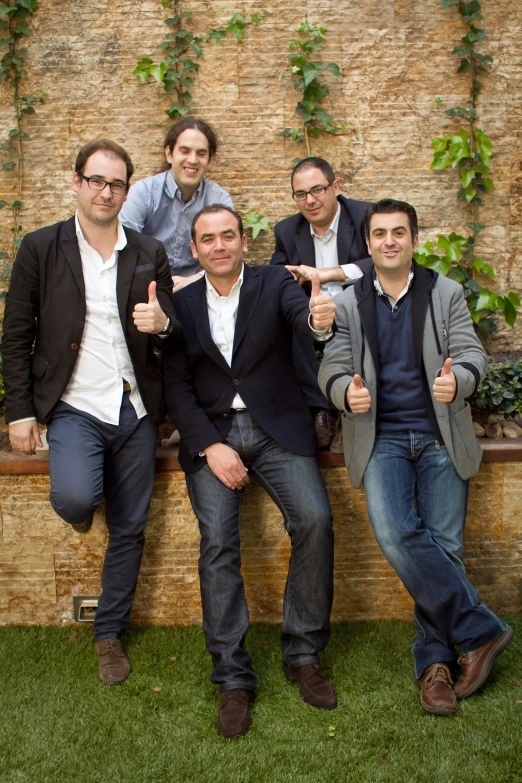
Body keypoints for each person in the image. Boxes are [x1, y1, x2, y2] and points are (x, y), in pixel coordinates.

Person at [319, 198, 513, 716]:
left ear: (413, 238)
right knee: (396, 532)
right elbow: (332, 366)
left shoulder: (444, 293)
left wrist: (460, 381)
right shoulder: (348, 304)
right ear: (367, 243)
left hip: (439, 436)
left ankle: (436, 667)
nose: (388, 241)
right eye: (379, 233)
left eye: (398, 232)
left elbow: (473, 354)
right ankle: (480, 630)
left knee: (444, 546)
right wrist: (344, 392)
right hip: (380, 437)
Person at [1, 139, 181, 685]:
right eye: (97, 180)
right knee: (77, 495)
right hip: (74, 404)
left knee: (130, 527)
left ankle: (109, 633)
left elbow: (172, 325)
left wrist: (164, 325)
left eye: (117, 183)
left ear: (128, 190)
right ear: (77, 183)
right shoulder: (41, 248)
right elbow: (16, 337)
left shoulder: (148, 250)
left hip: (134, 408)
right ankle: (83, 505)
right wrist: (21, 412)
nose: (106, 191)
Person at [163, 204, 337, 738]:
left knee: (315, 521)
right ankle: (233, 675)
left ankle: (302, 653)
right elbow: (176, 385)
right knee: (218, 542)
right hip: (213, 435)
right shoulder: (181, 304)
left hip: (276, 429)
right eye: (207, 239)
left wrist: (316, 319)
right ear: (194, 249)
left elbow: (300, 315)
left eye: (228, 236)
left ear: (243, 242)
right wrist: (210, 446)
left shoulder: (273, 283)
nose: (218, 246)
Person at [270, 157, 373, 451]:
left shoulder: (365, 215)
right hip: (314, 317)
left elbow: (382, 261)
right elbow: (276, 274)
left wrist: (326, 274)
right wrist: (289, 274)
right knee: (291, 318)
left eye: (317, 190)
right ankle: (322, 410)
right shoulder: (287, 230)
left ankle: (351, 413)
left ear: (335, 187)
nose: (310, 201)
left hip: (358, 309)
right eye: (301, 194)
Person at [120, 116, 233, 292]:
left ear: (210, 160)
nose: (193, 160)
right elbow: (123, 249)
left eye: (201, 153)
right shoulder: (143, 193)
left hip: (197, 289)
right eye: (185, 151)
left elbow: (229, 256)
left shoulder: (219, 200)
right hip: (144, 286)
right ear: (169, 154)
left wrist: (194, 280)